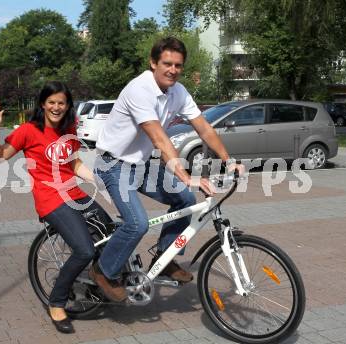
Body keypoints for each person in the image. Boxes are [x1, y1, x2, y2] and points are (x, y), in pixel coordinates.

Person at [91, 37, 245, 302]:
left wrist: (228, 159)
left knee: (184, 198)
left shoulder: (178, 91)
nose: (173, 69)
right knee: (137, 223)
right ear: (153, 63)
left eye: (178, 65)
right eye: (167, 63)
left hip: (138, 164)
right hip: (113, 165)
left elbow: (204, 127)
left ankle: (165, 256)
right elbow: (159, 139)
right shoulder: (139, 90)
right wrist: (186, 177)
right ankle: (103, 271)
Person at [0, 81, 109, 334]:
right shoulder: (29, 131)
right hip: (50, 199)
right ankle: (56, 301)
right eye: (51, 102)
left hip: (74, 193)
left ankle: (100, 282)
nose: (56, 107)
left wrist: (99, 180)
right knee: (84, 250)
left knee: (110, 233)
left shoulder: (69, 128)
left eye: (61, 103)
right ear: (43, 104)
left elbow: (73, 165)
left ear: (67, 106)